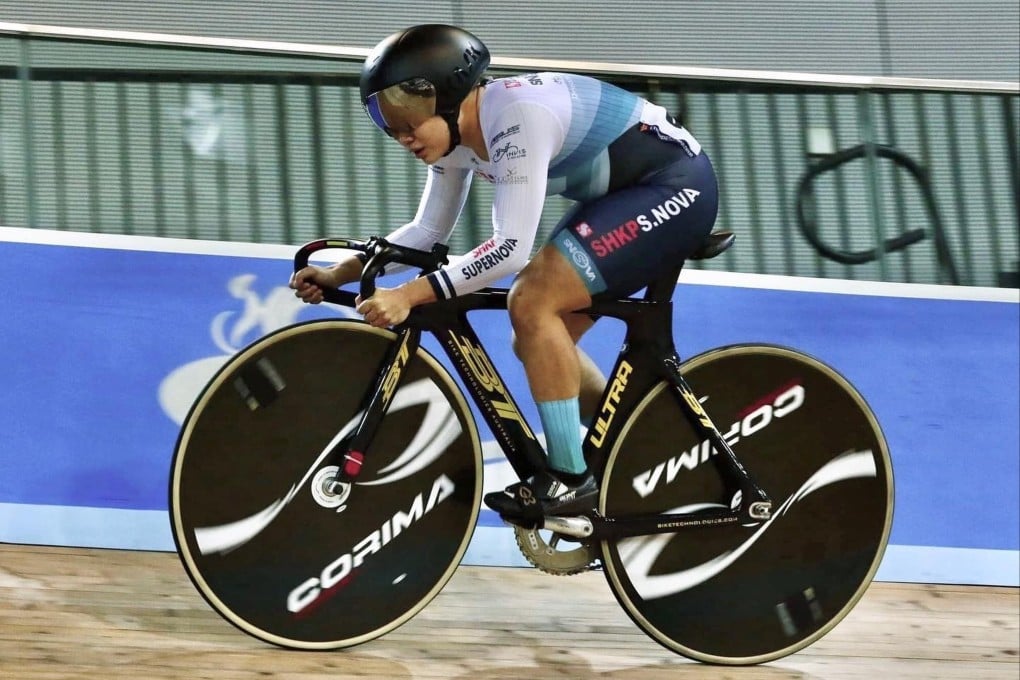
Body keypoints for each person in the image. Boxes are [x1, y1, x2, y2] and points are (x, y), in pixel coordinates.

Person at [291, 24, 718, 521]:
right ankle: (631, 445)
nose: (401, 135)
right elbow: (427, 229)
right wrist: (339, 273)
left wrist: (409, 293)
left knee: (531, 302)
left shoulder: (515, 118)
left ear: (449, 97)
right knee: (535, 337)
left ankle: (571, 484)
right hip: (621, 194)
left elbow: (511, 250)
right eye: (386, 121)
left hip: (673, 188)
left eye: (407, 117)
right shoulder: (453, 139)